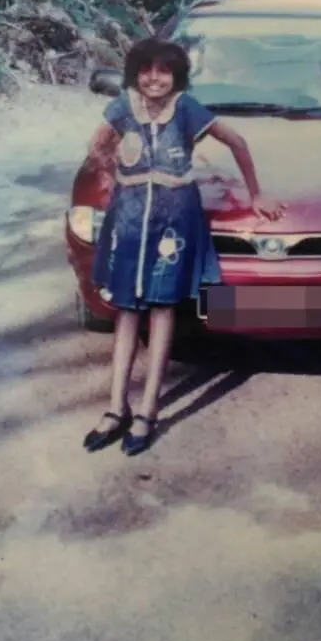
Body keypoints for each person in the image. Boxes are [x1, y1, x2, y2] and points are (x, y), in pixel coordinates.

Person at [82, 38, 284, 457]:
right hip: (131, 221)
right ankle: (115, 408)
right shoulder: (122, 107)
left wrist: (257, 195)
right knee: (125, 310)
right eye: (146, 69)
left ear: (177, 77)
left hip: (174, 221)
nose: (154, 78)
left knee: (161, 308)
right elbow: (97, 146)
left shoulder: (188, 109)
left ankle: (148, 411)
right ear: (134, 73)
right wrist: (109, 176)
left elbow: (237, 142)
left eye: (164, 70)